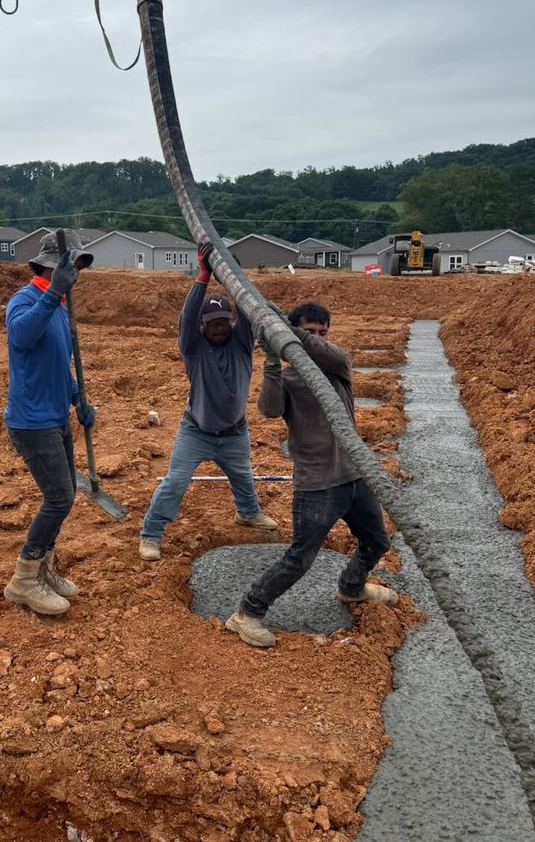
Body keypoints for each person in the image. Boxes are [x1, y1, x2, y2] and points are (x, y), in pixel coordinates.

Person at [226, 300, 397, 648]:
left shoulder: (338, 368)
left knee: (377, 541)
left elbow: (324, 351)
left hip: (355, 477)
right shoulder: (289, 379)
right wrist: (273, 359)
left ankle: (351, 587)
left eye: (321, 332)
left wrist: (287, 330)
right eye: (310, 330)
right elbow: (270, 409)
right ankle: (247, 613)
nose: (316, 338)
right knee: (300, 558)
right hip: (318, 485)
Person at [138, 243, 278, 560]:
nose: (219, 327)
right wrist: (203, 276)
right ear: (202, 326)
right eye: (212, 322)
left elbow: (246, 310)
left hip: (234, 433)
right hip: (196, 432)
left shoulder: (242, 343)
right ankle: (150, 534)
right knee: (174, 483)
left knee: (243, 477)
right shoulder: (194, 348)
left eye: (223, 321)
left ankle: (247, 513)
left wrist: (234, 275)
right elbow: (186, 317)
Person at [3, 229, 96, 616]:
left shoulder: (59, 305)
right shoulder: (25, 300)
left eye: (76, 267)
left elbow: (61, 363)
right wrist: (52, 293)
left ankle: (44, 568)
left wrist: (78, 399)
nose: (76, 273)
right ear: (50, 265)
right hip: (31, 421)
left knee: (62, 496)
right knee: (59, 497)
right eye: (71, 265)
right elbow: (22, 336)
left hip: (56, 416)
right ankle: (24, 578)